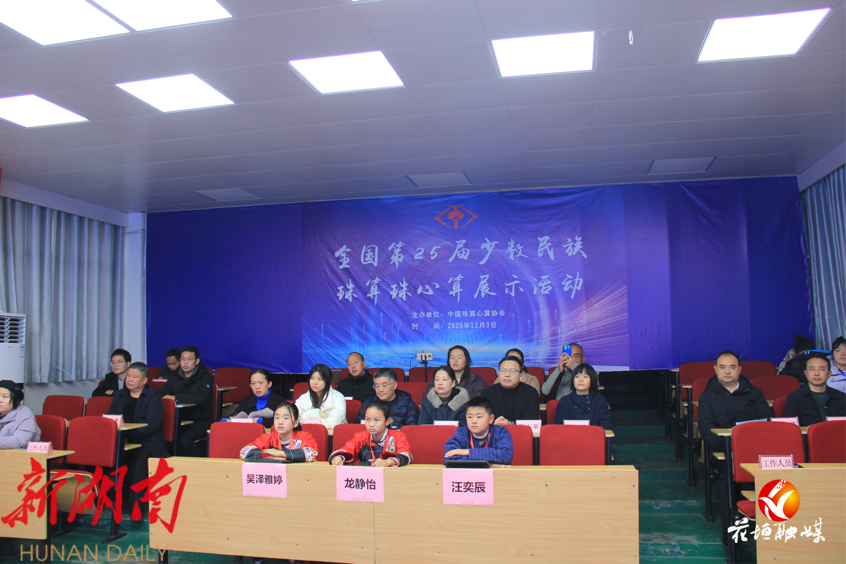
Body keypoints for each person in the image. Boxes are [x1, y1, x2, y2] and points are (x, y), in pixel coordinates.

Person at [697, 350, 772, 541]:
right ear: (715, 369)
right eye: (723, 367)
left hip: (754, 450)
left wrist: (749, 447)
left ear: (740, 369)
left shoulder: (754, 392)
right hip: (723, 450)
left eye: (732, 367)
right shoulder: (707, 396)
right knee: (728, 473)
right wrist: (731, 448)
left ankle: (769, 528)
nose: (727, 371)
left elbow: (766, 422)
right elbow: (706, 430)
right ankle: (731, 529)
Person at [106, 363, 167, 512]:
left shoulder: (153, 396)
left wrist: (130, 437)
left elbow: (152, 425)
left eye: (134, 377)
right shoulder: (119, 395)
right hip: (121, 440)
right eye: (128, 376)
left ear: (144, 380)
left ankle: (136, 508)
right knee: (102, 458)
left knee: (138, 462)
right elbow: (110, 419)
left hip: (146, 442)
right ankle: (104, 503)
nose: (130, 379)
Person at [158, 346, 213, 457]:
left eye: (189, 359)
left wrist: (177, 397)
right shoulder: (174, 378)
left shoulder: (205, 378)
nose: (185, 362)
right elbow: (160, 394)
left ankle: (197, 464)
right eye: (182, 359)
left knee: (184, 440)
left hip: (201, 421)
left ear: (197, 361)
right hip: (179, 420)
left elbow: (202, 398)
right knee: (162, 438)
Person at [331, 401, 412, 466]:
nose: (371, 424)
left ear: (387, 421)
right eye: (367, 419)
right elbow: (345, 450)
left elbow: (407, 456)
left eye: (376, 420)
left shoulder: (398, 436)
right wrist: (339, 458)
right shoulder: (360, 437)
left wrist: (388, 462)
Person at [443, 397, 513, 465]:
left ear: (491, 419)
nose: (474, 421)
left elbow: (506, 455)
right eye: (470, 417)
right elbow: (448, 457)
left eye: (479, 417)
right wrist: (488, 463)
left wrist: (467, 452)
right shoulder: (462, 432)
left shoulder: (500, 432)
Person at [240, 403, 318, 462]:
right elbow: (244, 452)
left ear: (295, 423)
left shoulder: (304, 437)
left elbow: (312, 453)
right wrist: (269, 455)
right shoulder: (268, 437)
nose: (280, 422)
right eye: (277, 418)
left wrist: (281, 453)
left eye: (285, 418)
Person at [783, 353, 846, 425]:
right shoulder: (794, 398)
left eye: (821, 369)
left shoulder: (842, 398)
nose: (816, 374)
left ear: (829, 374)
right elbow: (791, 428)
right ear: (806, 373)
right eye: (812, 369)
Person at [481, 355, 540, 425]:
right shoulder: (487, 393)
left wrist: (511, 423)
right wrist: (493, 423)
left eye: (512, 371)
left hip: (521, 431)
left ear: (520, 376)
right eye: (503, 370)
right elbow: (482, 418)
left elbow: (532, 419)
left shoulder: (531, 393)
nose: (507, 374)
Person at [553, 364, 612, 430]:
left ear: (592, 380)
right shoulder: (565, 401)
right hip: (570, 436)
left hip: (593, 436)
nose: (580, 380)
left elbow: (606, 426)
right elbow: (559, 427)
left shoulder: (599, 400)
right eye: (577, 376)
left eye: (585, 377)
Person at [295, 363, 347, 428]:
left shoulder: (338, 397)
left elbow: (336, 421)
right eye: (312, 378)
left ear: (328, 380)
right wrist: (320, 414)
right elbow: (295, 419)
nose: (314, 382)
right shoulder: (302, 398)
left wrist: (309, 417)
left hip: (333, 433)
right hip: (307, 432)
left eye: (319, 379)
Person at [0, 380, 40, 449]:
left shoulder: (25, 416)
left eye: (5, 397)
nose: (0, 400)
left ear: (15, 399)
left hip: (22, 454)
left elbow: (20, 442)